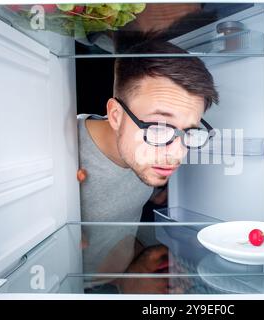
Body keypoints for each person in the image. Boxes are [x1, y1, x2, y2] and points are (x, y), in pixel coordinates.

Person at [76, 40, 219, 291]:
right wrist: (124, 289)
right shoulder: (60, 158)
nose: (176, 155)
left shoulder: (142, 153)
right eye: (160, 128)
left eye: (189, 132)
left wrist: (140, 261)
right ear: (116, 116)